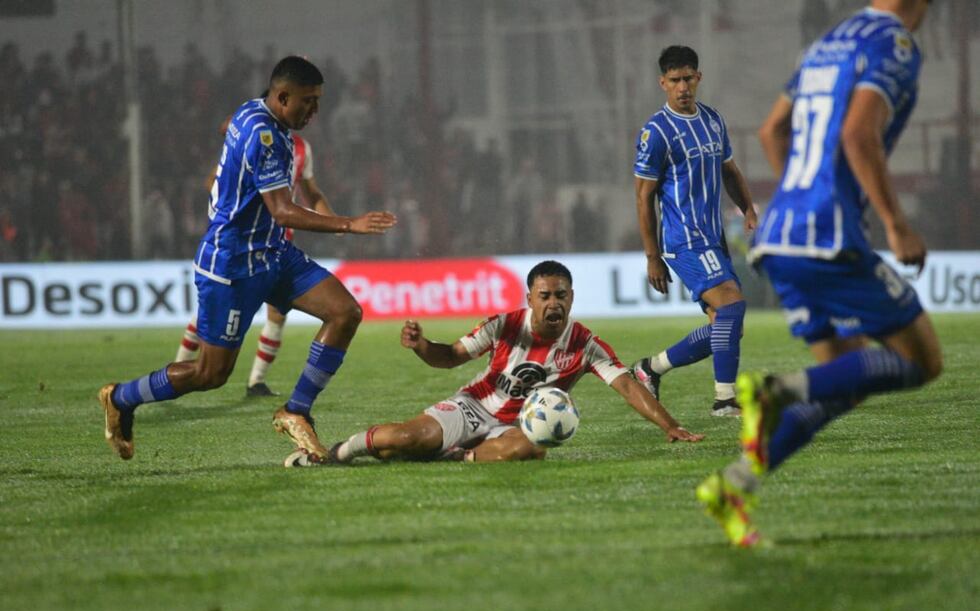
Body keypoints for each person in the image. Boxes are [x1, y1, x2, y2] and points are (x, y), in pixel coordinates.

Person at [697, 0, 942, 547]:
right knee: (923, 359)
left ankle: (733, 485)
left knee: (845, 382)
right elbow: (859, 134)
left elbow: (770, 131)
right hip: (827, 239)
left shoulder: (827, 43)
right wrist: (896, 225)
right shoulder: (893, 43)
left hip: (780, 234)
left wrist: (799, 199)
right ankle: (775, 388)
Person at [98, 56, 397, 461]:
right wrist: (349, 225)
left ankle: (295, 411)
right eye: (308, 101)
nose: (315, 110)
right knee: (210, 374)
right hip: (232, 264)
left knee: (344, 312)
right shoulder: (266, 138)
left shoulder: (253, 111)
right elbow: (283, 211)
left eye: (318, 100)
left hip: (273, 255)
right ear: (283, 96)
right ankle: (122, 397)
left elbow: (229, 126)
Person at [286, 261, 703, 467]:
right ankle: (334, 455)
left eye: (561, 295)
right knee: (403, 438)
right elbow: (449, 357)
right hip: (473, 407)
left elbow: (628, 384)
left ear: (572, 298)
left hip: (515, 426)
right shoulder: (504, 326)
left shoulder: (586, 344)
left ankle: (455, 458)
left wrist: (670, 426)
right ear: (530, 298)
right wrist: (421, 345)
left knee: (532, 448)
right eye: (545, 296)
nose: (553, 303)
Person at [629, 45, 759, 418]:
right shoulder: (656, 132)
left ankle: (650, 369)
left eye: (688, 78)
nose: (682, 87)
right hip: (684, 240)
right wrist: (653, 256)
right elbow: (643, 197)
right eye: (674, 81)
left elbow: (729, 171)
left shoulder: (713, 120)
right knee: (732, 306)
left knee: (726, 327)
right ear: (663, 83)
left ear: (698, 78)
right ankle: (724, 400)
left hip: (713, 237)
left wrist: (748, 207)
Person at [176, 118, 333, 398]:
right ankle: (178, 369)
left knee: (277, 314)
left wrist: (332, 221)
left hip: (280, 243)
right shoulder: (252, 138)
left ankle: (256, 382)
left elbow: (311, 191)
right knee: (210, 314)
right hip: (242, 244)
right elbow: (213, 179)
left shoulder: (301, 149)